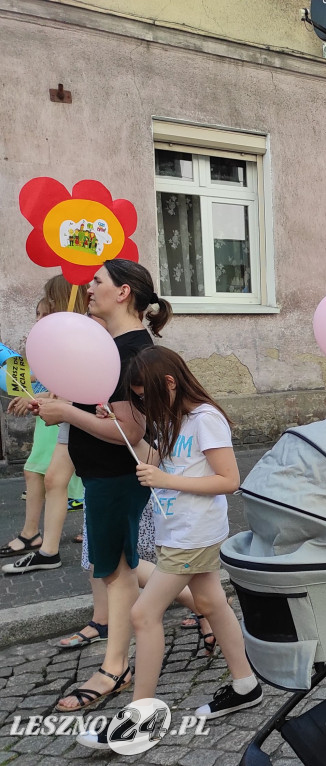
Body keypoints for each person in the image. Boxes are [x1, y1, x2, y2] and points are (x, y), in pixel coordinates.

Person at [76, 347, 262, 749]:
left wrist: (166, 480)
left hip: (194, 533)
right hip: (179, 531)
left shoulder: (205, 419)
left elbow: (229, 479)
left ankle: (140, 719)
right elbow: (154, 459)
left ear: (170, 383)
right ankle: (246, 684)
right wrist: (123, 431)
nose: (144, 404)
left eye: (146, 396)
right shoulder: (174, 418)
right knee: (212, 603)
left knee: (143, 614)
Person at [33, 260, 173, 712]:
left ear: (124, 293)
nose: (88, 288)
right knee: (121, 567)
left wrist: (67, 415)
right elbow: (98, 408)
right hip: (100, 475)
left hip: (116, 477)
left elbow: (130, 432)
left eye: (97, 282)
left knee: (115, 572)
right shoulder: (109, 346)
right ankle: (206, 618)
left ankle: (115, 668)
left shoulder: (132, 353)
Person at [1, 276, 89, 568]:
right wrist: (35, 396)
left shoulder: (80, 339)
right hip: (53, 414)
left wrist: (37, 400)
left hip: (65, 416)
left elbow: (75, 388)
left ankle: (43, 543)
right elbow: (54, 382)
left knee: (59, 478)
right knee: (40, 474)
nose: (40, 317)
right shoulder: (57, 340)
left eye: (46, 309)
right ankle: (37, 540)